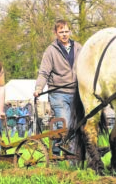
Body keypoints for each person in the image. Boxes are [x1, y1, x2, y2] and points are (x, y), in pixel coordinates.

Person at [34, 19, 81, 155]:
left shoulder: (79, 48)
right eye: (61, 32)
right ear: (56, 33)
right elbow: (44, 72)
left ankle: (55, 153)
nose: (64, 34)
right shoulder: (50, 51)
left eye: (66, 31)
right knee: (64, 124)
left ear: (70, 32)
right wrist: (38, 88)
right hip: (58, 92)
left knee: (75, 124)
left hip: (76, 92)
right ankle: (68, 157)